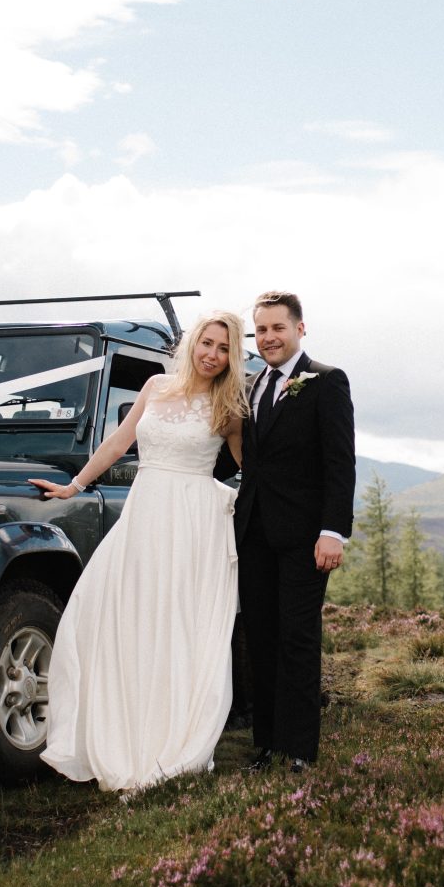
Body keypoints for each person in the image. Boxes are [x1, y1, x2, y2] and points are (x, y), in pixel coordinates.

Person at [31, 311, 247, 792]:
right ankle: (121, 731)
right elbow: (118, 441)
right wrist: (76, 485)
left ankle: (173, 738)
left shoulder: (227, 405)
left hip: (193, 523)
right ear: (192, 342)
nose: (212, 354)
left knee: (178, 625)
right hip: (144, 513)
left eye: (224, 348)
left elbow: (246, 464)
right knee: (115, 614)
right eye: (207, 343)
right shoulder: (155, 386)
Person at [234, 290, 355, 773]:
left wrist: (333, 531)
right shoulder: (250, 386)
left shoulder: (326, 382)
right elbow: (242, 458)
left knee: (298, 639)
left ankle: (300, 750)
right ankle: (267, 744)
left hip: (306, 537)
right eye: (261, 330)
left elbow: (339, 463)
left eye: (277, 328)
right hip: (254, 534)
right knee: (260, 638)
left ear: (299, 329)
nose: (268, 338)